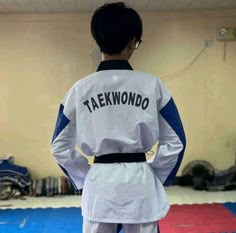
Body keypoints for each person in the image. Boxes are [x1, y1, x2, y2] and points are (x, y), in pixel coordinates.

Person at [51, 2, 186, 233]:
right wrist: (155, 174)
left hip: (100, 185)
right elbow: (177, 142)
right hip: (140, 184)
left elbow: (59, 146)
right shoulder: (152, 86)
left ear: (98, 40)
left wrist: (86, 175)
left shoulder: (80, 89)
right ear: (133, 42)